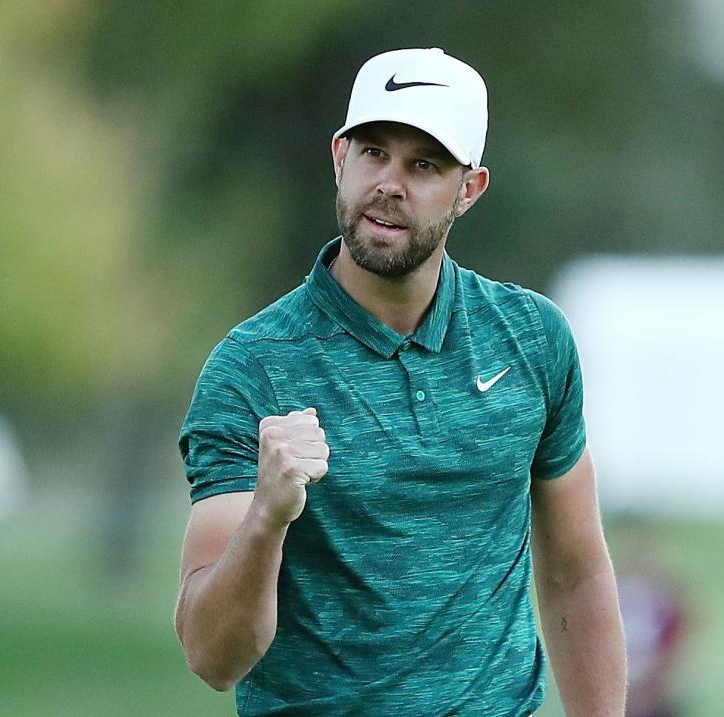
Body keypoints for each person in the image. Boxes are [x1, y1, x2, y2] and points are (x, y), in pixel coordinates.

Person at [175, 47, 627, 716]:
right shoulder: (253, 367)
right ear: (339, 158)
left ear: (467, 189)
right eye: (374, 153)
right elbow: (213, 658)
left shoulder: (532, 340)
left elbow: (575, 572)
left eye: (424, 164)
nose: (390, 182)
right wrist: (267, 519)